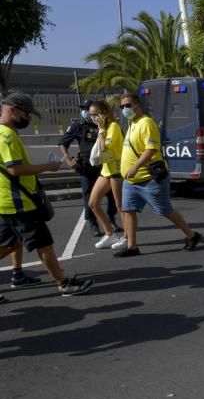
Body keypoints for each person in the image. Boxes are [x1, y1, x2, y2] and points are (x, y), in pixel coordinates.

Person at [0, 91, 93, 301]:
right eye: (26, 113)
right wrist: (48, 167)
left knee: (8, 244)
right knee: (44, 244)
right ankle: (64, 283)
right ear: (13, 110)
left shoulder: (4, 133)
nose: (28, 118)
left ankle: (20, 275)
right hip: (20, 204)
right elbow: (15, 169)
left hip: (6, 201)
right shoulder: (6, 136)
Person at [115, 92, 201, 257]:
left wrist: (134, 167)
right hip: (131, 181)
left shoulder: (146, 123)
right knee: (128, 210)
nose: (124, 109)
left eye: (127, 105)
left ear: (137, 106)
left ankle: (192, 235)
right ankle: (132, 247)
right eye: (122, 106)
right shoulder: (132, 123)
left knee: (165, 210)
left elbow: (151, 149)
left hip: (149, 179)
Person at [58, 100, 119, 237]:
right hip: (86, 167)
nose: (86, 113)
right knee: (88, 196)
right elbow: (63, 143)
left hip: (104, 166)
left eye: (89, 110)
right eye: (85, 110)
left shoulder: (107, 125)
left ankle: (111, 220)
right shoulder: (78, 126)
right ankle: (93, 223)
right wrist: (69, 158)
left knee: (111, 196)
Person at [87, 100, 127, 249]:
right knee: (92, 203)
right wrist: (101, 129)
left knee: (120, 206)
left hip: (116, 170)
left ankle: (127, 237)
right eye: (92, 115)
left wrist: (102, 130)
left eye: (96, 114)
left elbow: (104, 149)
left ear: (104, 113)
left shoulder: (113, 127)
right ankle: (109, 234)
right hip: (106, 170)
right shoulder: (103, 127)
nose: (94, 117)